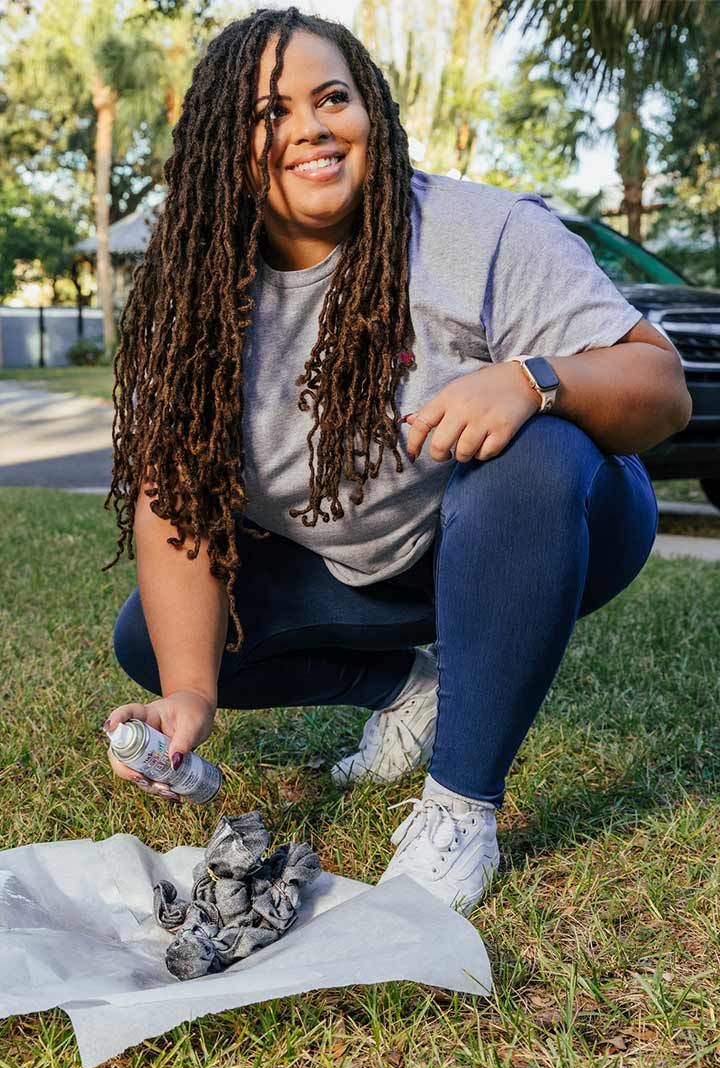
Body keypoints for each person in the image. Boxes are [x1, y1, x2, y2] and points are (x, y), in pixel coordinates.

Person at [102, 7, 691, 915]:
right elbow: (177, 500)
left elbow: (661, 385)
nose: (310, 128)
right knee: (150, 637)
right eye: (270, 114)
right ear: (226, 142)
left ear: (370, 110)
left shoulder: (476, 231)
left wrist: (535, 381)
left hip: (550, 527)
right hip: (363, 572)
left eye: (332, 97)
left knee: (536, 448)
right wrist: (189, 692)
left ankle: (460, 806)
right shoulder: (193, 298)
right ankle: (407, 689)